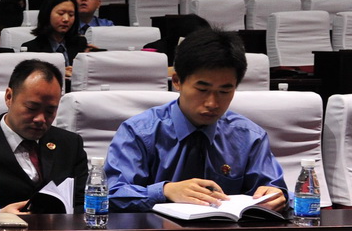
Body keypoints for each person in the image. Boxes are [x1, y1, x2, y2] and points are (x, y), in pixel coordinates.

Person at [106, 28, 287, 212]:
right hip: (155, 229)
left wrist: (277, 196)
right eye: (202, 90)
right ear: (177, 81)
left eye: (224, 91)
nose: (212, 103)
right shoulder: (139, 132)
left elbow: (278, 191)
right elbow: (111, 194)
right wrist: (165, 191)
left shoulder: (249, 137)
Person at [0, 59, 88, 214]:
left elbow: (83, 204)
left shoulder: (70, 144)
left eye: (50, 111)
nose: (40, 119)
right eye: (32, 108)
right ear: (9, 97)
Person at [22, 0, 86, 71]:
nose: (66, 19)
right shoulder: (31, 48)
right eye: (61, 13)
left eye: (71, 15)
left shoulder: (80, 44)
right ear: (47, 14)